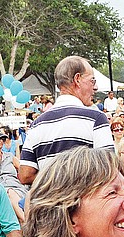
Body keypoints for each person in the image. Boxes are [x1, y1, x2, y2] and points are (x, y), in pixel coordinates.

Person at [18, 56, 114, 186]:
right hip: (83, 203)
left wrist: (55, 181)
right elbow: (109, 169)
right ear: (77, 79)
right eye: (92, 80)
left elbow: (25, 175)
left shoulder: (37, 124)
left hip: (48, 205)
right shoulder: (96, 118)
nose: (95, 87)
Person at [0, 128, 27, 221]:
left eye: (3, 139)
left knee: (11, 193)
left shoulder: (10, 156)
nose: (1, 141)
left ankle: (24, 219)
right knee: (9, 193)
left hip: (16, 187)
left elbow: (24, 169)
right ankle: (25, 219)